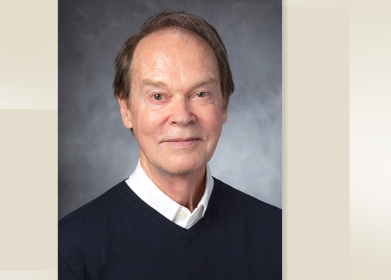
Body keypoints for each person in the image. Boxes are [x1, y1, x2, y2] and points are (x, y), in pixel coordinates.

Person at [59, 10, 281, 279]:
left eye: (201, 94)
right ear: (126, 109)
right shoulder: (68, 250)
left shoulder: (280, 238)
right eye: (158, 96)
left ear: (224, 105)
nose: (182, 116)